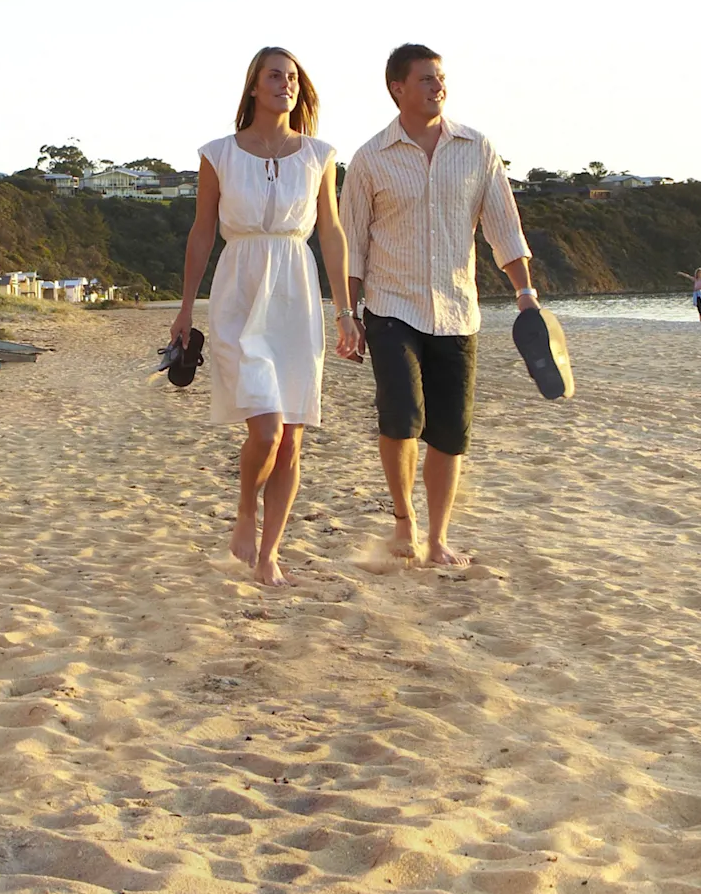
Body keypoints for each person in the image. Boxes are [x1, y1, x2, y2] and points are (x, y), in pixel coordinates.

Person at [339, 44, 535, 568]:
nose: (438, 86)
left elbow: (504, 229)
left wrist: (525, 293)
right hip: (391, 307)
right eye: (426, 79)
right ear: (397, 88)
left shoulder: (477, 149)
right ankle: (404, 521)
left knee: (450, 433)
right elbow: (351, 245)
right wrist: (348, 315)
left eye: (441, 78)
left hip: (456, 310)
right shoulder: (369, 158)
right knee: (401, 417)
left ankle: (438, 537)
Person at [170, 47, 358, 588]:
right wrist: (185, 306)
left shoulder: (319, 155)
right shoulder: (219, 154)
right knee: (268, 429)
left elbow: (332, 233)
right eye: (275, 75)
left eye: (293, 77)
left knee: (293, 438)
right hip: (239, 292)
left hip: (296, 295)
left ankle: (269, 553)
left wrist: (345, 310)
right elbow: (202, 232)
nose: (286, 84)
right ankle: (245, 509)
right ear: (254, 86)